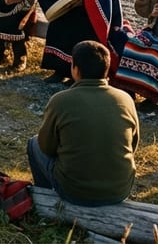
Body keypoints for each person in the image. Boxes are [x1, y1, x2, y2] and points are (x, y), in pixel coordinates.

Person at [27, 41, 139, 206]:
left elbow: (46, 147)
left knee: (33, 144)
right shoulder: (125, 99)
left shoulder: (60, 101)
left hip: (74, 192)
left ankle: (46, 198)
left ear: (76, 69)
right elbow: (133, 144)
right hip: (120, 191)